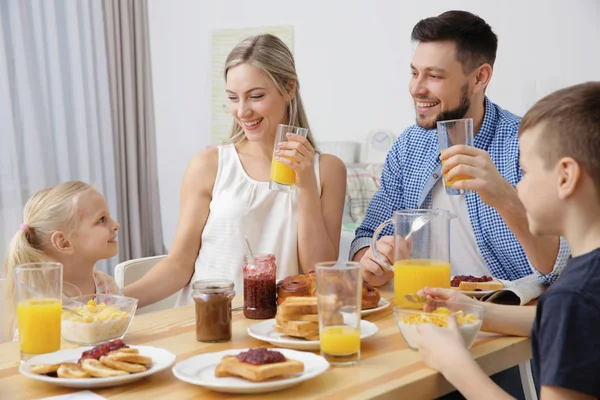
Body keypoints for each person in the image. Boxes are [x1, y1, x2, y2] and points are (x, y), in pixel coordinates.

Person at [124, 34, 346, 307]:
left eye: (255, 96)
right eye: (233, 98)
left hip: (281, 327)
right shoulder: (208, 165)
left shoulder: (328, 170)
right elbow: (179, 266)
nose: (242, 111)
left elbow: (318, 270)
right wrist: (114, 303)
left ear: (289, 89)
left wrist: (306, 186)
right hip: (213, 321)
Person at [351, 10, 570, 287]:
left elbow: (563, 269)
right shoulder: (409, 145)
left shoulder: (528, 143)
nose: (416, 89)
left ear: (480, 78)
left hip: (505, 315)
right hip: (423, 309)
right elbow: (366, 236)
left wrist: (505, 198)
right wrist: (371, 260)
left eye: (434, 76)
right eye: (414, 73)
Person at [416, 82, 600, 399]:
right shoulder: (582, 292)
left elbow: (571, 314)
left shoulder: (573, 295)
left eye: (525, 172)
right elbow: (570, 323)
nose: (519, 187)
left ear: (566, 177)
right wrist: (476, 311)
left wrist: (453, 362)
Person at [3, 181, 121, 337]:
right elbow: (30, 352)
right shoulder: (40, 303)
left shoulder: (106, 285)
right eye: (101, 219)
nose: (116, 225)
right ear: (64, 242)